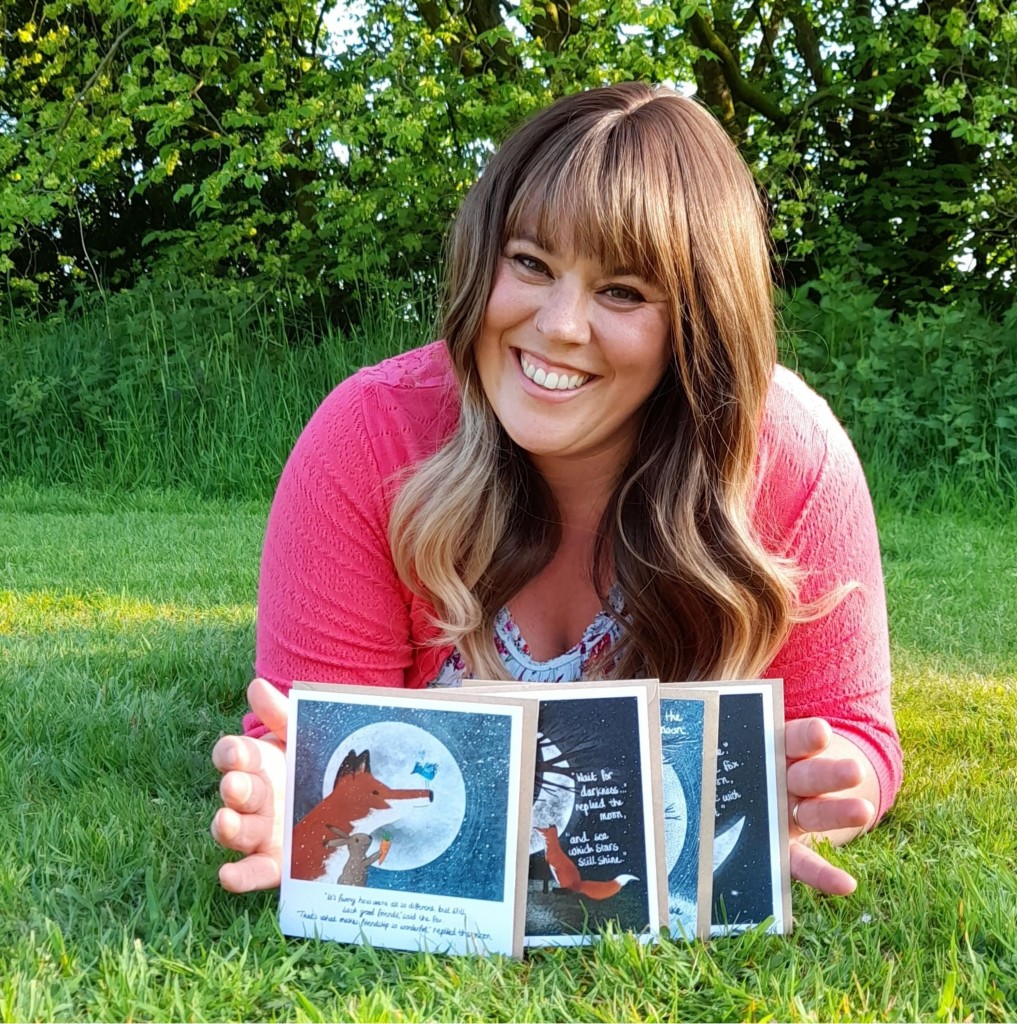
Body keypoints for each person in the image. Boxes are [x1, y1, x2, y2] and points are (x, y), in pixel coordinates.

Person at [211, 82, 902, 900]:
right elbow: (310, 734)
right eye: (530, 263)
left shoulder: (792, 454)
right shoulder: (368, 437)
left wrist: (825, 786)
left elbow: (851, 733)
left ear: (701, 324)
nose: (559, 324)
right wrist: (280, 788)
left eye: (622, 291)